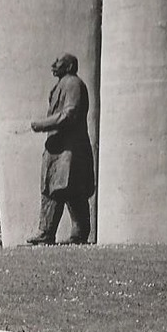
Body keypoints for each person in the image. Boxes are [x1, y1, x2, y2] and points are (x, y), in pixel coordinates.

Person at [27, 53, 95, 245]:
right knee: (56, 189)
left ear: (69, 65)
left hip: (70, 149)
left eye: (58, 62)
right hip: (59, 148)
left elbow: (69, 114)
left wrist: (42, 124)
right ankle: (48, 232)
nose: (53, 64)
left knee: (69, 189)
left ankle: (76, 234)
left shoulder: (73, 84)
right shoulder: (62, 84)